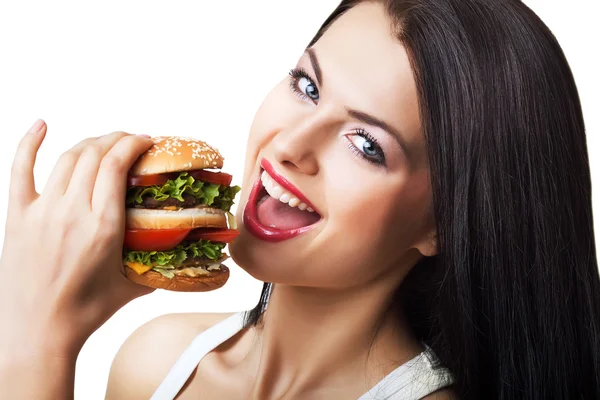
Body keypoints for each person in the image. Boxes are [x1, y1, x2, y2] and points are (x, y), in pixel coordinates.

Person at [1, 0, 599, 399]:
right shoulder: (157, 360)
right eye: (307, 86)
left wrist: (37, 339)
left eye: (365, 143)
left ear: (443, 223)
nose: (288, 144)